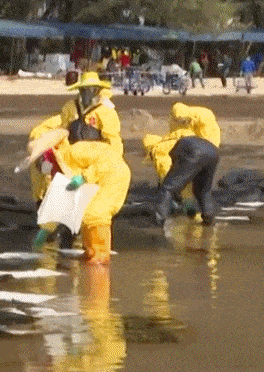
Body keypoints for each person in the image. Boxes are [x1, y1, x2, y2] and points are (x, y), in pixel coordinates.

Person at [31, 129, 131, 265]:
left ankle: (100, 256)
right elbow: (59, 199)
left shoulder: (76, 152)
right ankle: (91, 253)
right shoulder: (61, 168)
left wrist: (84, 177)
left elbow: (108, 161)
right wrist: (46, 229)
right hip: (100, 178)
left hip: (114, 175)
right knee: (87, 214)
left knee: (96, 214)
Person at [28, 71, 122, 205]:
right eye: (84, 89)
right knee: (43, 165)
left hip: (94, 160)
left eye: (92, 89)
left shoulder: (106, 112)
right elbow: (62, 133)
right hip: (72, 156)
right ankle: (43, 202)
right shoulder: (70, 108)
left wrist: (105, 165)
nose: (88, 93)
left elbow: (114, 144)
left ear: (98, 90)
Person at [142, 102, 221, 226]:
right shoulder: (183, 131)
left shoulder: (158, 149)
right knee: (203, 191)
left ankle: (159, 220)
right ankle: (208, 219)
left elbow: (165, 171)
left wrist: (166, 184)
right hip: (212, 151)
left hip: (194, 151)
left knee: (168, 188)